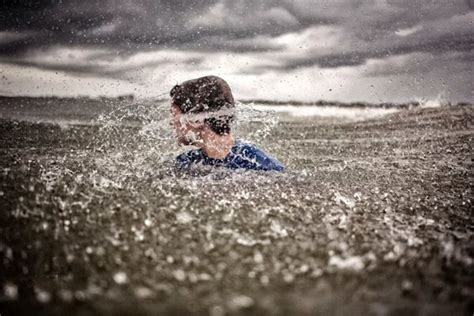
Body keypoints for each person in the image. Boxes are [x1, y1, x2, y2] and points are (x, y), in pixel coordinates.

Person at [170, 75, 284, 172]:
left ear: (196, 120)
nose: (171, 122)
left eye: (173, 114)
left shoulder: (263, 166)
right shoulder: (184, 162)